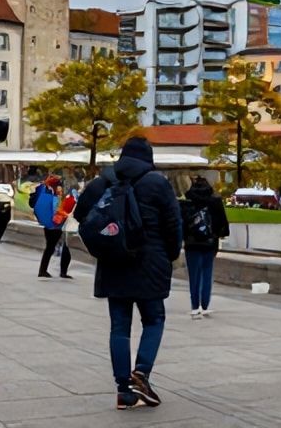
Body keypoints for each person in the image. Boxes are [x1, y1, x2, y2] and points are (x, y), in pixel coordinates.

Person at [76, 136, 182, 410]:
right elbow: (173, 225)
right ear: (148, 158)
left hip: (114, 261)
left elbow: (81, 214)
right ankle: (142, 373)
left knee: (119, 328)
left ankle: (124, 391)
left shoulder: (104, 181)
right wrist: (169, 256)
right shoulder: (157, 183)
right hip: (151, 263)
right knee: (154, 318)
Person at [179, 174, 229, 319]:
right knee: (207, 274)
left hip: (192, 243)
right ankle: (205, 304)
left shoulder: (187, 201)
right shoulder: (215, 202)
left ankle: (195, 306)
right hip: (209, 243)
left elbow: (181, 224)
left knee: (194, 276)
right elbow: (223, 225)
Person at [34, 175, 74, 279]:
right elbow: (58, 211)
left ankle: (44, 270)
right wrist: (66, 214)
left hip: (50, 225)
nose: (60, 190)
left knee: (51, 248)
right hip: (56, 226)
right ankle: (58, 272)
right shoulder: (55, 198)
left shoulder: (47, 193)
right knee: (59, 247)